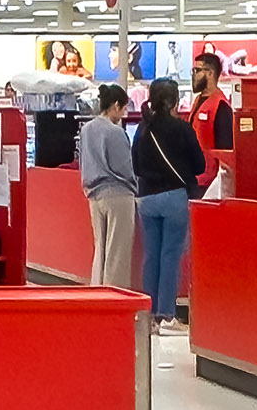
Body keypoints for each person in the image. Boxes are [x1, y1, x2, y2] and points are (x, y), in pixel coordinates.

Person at [132, 77, 204, 336]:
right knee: (170, 256)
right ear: (174, 100)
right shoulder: (182, 129)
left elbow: (136, 166)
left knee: (151, 255)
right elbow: (200, 166)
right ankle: (167, 315)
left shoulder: (143, 129)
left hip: (146, 198)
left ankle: (148, 315)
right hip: (174, 196)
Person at [79, 84, 137, 289]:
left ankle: (97, 292)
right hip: (119, 195)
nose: (124, 113)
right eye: (123, 108)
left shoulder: (86, 130)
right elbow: (124, 167)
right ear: (115, 105)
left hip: (94, 195)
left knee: (100, 250)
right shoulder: (116, 132)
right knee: (117, 252)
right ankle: (115, 295)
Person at [189, 52, 235, 196]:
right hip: (193, 177)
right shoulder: (197, 101)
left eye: (197, 71)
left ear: (210, 73)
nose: (193, 75)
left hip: (209, 184)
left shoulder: (221, 106)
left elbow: (225, 151)